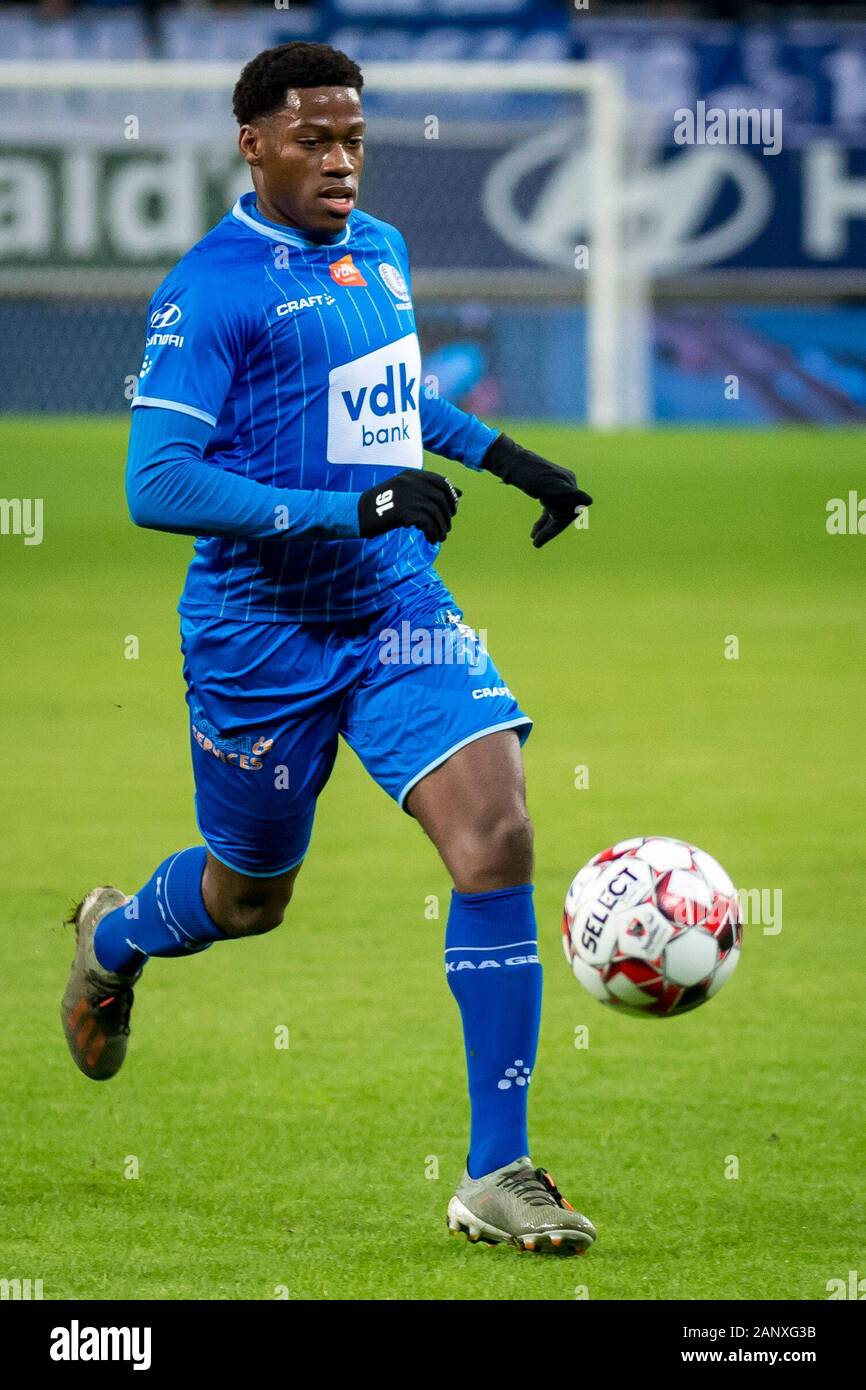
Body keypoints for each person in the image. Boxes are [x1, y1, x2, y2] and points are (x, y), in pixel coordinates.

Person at [60, 41, 596, 1255]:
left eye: (354, 137)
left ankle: (495, 1169)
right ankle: (111, 936)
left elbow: (396, 395)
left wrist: (509, 462)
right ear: (252, 142)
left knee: (497, 830)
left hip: (394, 599)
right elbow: (155, 480)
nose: (341, 159)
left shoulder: (382, 252)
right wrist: (340, 509)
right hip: (260, 629)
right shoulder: (212, 289)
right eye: (314, 137)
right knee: (251, 896)